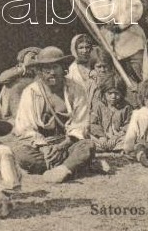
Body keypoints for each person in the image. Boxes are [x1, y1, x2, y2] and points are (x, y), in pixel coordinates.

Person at [12, 46, 95, 183]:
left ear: (63, 68)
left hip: (68, 144)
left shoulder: (76, 89)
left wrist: (63, 145)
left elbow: (81, 123)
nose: (52, 72)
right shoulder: (31, 92)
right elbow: (25, 127)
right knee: (20, 153)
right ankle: (73, 166)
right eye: (46, 69)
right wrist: (45, 148)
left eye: (55, 67)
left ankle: (61, 170)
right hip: (42, 146)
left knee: (88, 146)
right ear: (39, 72)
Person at [71, 0, 146, 83]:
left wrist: (121, 24)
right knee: (114, 76)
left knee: (140, 73)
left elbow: (136, 9)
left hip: (130, 35)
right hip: (108, 37)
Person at [89, 73, 133, 153]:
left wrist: (116, 137)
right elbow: (93, 123)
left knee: (131, 137)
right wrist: (101, 136)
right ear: (104, 93)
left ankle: (116, 147)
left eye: (116, 93)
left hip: (118, 138)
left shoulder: (126, 107)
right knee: (85, 134)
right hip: (101, 138)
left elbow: (129, 124)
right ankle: (104, 147)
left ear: (122, 93)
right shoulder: (99, 105)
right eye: (110, 93)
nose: (113, 96)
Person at [0, 46, 40, 122]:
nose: (34, 60)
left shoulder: (39, 74)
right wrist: (24, 67)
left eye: (37, 57)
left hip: (32, 111)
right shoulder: (17, 71)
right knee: (14, 86)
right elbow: (2, 78)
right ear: (23, 59)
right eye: (32, 57)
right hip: (12, 113)